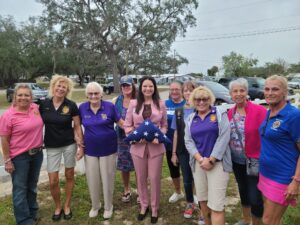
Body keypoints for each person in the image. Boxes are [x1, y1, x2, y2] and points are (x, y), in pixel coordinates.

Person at [185, 86, 232, 225]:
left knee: (217, 206)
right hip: (199, 165)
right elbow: (188, 141)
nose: (201, 102)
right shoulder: (190, 118)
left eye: (204, 99)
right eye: (198, 99)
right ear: (193, 101)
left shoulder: (219, 113)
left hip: (217, 164)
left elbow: (224, 136)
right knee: (203, 202)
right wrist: (200, 159)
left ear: (210, 99)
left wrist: (211, 159)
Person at [39, 75, 84, 221]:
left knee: (69, 175)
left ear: (67, 90)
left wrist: (81, 146)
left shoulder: (71, 105)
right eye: (58, 86)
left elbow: (77, 127)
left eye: (64, 87)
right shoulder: (43, 104)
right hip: (51, 147)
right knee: (53, 180)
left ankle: (66, 205)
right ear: (53, 87)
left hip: (69, 145)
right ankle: (57, 206)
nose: (60, 89)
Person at [124, 76, 167, 224]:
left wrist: (160, 136)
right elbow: (127, 125)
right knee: (141, 178)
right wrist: (134, 137)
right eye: (145, 86)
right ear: (140, 88)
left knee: (154, 178)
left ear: (154, 88)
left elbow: (164, 125)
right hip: (138, 147)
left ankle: (154, 208)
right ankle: (144, 206)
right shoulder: (133, 104)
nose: (148, 89)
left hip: (156, 147)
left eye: (150, 86)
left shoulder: (160, 104)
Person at [258, 75, 300, 225]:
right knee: (274, 220)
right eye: (267, 89)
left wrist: (296, 181)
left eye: (275, 89)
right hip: (266, 174)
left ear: (284, 92)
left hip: (283, 177)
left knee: (268, 220)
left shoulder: (293, 115)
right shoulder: (270, 112)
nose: (269, 93)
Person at [0, 84, 44, 225]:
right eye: (20, 95)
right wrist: (7, 160)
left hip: (37, 154)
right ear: (15, 97)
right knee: (20, 189)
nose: (23, 98)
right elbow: (4, 139)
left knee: (32, 185)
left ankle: (32, 211)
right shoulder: (8, 115)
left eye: (27, 95)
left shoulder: (35, 109)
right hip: (19, 158)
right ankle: (24, 220)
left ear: (31, 97)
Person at [79, 82, 123, 219]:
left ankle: (108, 206)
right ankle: (95, 205)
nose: (93, 96)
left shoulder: (109, 106)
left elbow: (121, 122)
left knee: (107, 178)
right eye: (90, 94)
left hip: (108, 149)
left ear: (101, 94)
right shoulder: (82, 108)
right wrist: (79, 144)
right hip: (90, 149)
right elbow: (77, 127)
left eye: (96, 93)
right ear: (87, 95)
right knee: (92, 179)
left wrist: (133, 130)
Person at [227, 78, 266, 225]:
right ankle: (246, 220)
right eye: (235, 91)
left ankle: (256, 222)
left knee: (255, 197)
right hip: (237, 161)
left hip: (254, 161)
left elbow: (267, 136)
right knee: (242, 190)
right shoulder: (230, 113)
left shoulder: (259, 111)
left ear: (247, 92)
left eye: (241, 90)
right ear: (231, 94)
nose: (238, 94)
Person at [170, 81, 204, 222]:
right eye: (186, 90)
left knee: (202, 180)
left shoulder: (203, 108)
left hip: (200, 150)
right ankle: (190, 203)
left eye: (191, 90)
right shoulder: (179, 111)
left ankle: (204, 208)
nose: (188, 93)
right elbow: (177, 133)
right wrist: (173, 153)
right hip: (183, 150)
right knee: (187, 179)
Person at [112, 75, 137, 203]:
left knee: (139, 165)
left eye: (128, 85)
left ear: (133, 86)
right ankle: (127, 189)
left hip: (137, 137)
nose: (126, 87)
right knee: (124, 165)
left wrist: (132, 131)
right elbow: (114, 118)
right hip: (122, 138)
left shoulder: (139, 100)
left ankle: (141, 191)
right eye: (123, 85)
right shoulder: (117, 100)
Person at [165, 81, 186, 203]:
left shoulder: (188, 103)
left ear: (181, 90)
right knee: (174, 169)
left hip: (185, 144)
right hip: (169, 143)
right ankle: (178, 192)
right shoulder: (164, 104)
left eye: (177, 89)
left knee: (188, 170)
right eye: (172, 89)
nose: (174, 92)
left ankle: (191, 193)